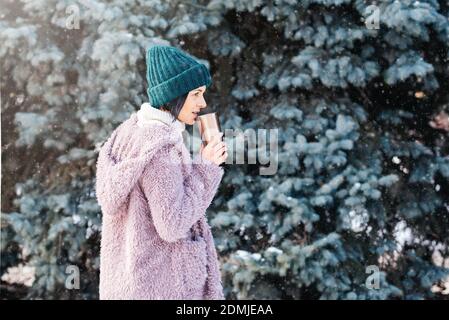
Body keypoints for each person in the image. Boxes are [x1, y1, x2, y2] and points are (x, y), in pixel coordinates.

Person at [95, 45, 227, 299]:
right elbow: (172, 224)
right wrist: (206, 168)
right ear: (175, 95)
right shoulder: (160, 149)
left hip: (131, 285)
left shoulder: (128, 134)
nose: (203, 103)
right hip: (165, 288)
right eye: (196, 94)